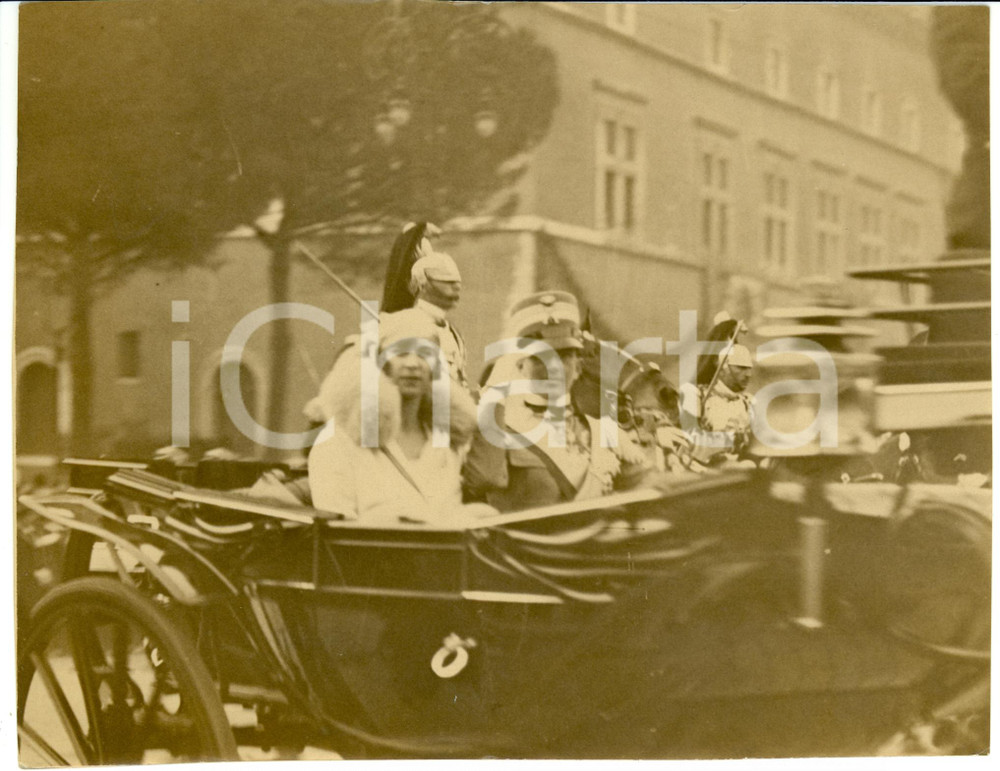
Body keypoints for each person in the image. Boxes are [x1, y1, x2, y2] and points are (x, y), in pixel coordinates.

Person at [463, 291, 648, 511]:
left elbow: (648, 488)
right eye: (540, 357)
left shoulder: (604, 433)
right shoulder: (500, 426)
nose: (554, 367)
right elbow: (484, 478)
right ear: (520, 365)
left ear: (578, 367)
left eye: (564, 355)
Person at [307, 311, 477, 525]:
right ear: (379, 364)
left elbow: (450, 517)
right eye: (401, 353)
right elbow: (334, 531)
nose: (413, 364)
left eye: (424, 354)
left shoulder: (446, 443)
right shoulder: (340, 440)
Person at [381, 222, 469, 389]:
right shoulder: (406, 325)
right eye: (446, 281)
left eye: (456, 282)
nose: (455, 288)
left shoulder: (452, 331)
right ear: (422, 285)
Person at [679, 341, 756, 465]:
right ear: (722, 369)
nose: (748, 374)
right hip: (699, 469)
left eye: (749, 368)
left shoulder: (749, 403)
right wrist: (731, 439)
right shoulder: (696, 394)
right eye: (741, 368)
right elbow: (689, 440)